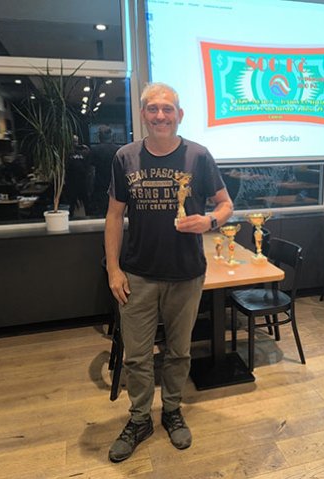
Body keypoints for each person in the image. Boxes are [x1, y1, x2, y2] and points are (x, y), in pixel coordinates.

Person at [104, 82, 233, 463]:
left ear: (179, 114)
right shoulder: (125, 157)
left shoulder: (198, 156)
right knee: (136, 357)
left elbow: (226, 205)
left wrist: (209, 221)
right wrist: (113, 270)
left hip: (186, 274)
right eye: (153, 109)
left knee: (179, 353)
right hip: (138, 274)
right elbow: (113, 216)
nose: (160, 115)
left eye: (167, 109)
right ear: (143, 114)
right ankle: (140, 419)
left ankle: (172, 410)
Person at [87, 125, 120, 216]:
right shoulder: (118, 150)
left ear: (99, 136)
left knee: (100, 215)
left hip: (99, 186)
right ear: (111, 136)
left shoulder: (94, 150)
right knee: (115, 214)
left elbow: (91, 171)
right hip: (115, 186)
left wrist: (89, 188)